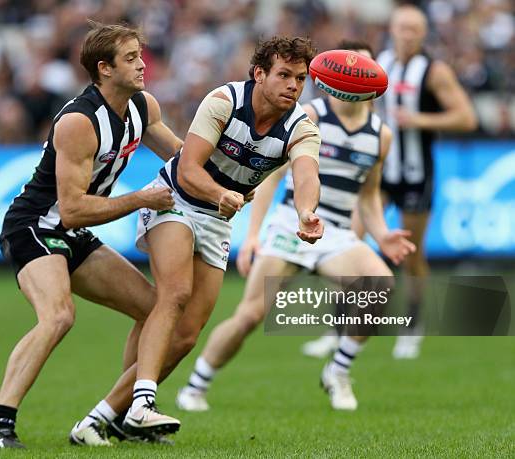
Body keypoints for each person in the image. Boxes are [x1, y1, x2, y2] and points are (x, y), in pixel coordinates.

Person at [74, 36, 323, 440]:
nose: (293, 85)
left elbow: (306, 174)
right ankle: (143, 405)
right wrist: (221, 193)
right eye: (284, 75)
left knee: (187, 334)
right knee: (174, 294)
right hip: (175, 200)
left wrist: (307, 211)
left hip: (218, 221)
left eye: (299, 77)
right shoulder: (224, 101)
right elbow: (188, 168)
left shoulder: (301, 127)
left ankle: (101, 418)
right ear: (259, 74)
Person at [176, 41, 416, 413]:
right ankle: (196, 385)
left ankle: (337, 370)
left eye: (365, 70)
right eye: (351, 69)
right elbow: (270, 178)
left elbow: (368, 194)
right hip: (291, 223)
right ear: (338, 75)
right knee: (250, 315)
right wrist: (254, 235)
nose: (357, 76)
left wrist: (382, 234)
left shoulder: (380, 135)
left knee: (379, 285)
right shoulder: (309, 115)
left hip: (333, 232)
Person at [0, 21, 183, 449]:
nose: (143, 64)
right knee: (59, 316)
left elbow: (185, 159)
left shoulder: (143, 107)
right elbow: (70, 210)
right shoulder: (78, 121)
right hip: (35, 226)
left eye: (140, 55)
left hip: (74, 233)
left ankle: (124, 415)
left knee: (154, 313)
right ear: (104, 69)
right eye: (130, 58)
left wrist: (237, 169)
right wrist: (142, 199)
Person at [372, 4, 478, 359]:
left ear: (423, 33)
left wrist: (419, 120)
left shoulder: (434, 72)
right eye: (402, 27)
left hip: (417, 173)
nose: (407, 34)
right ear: (392, 28)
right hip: (382, 170)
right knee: (352, 235)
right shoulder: (378, 64)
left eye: (414, 29)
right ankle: (345, 322)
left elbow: (466, 117)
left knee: (411, 254)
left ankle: (412, 323)